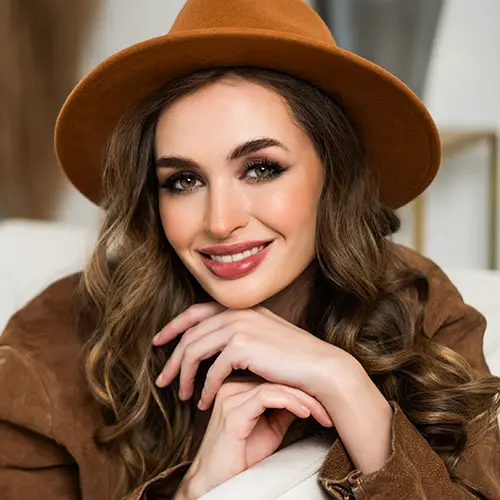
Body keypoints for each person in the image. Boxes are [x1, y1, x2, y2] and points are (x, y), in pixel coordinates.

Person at [1, 0, 499, 499]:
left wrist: (347, 387)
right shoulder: (54, 348)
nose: (220, 222)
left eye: (261, 168)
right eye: (184, 180)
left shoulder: (417, 307)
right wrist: (194, 491)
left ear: (333, 173)